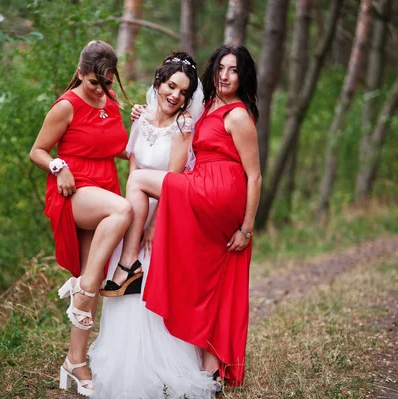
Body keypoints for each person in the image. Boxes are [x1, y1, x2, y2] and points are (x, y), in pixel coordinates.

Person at [106, 44, 262, 388]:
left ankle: (129, 263)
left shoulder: (237, 114)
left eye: (233, 70)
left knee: (140, 179)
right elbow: (172, 117)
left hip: (217, 190)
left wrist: (247, 228)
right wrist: (140, 113)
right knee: (215, 276)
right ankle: (210, 369)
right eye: (221, 68)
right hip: (204, 186)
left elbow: (255, 175)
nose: (224, 75)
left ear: (244, 75)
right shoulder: (207, 106)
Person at [89, 51, 220, 399]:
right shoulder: (141, 118)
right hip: (136, 212)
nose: (175, 95)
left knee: (152, 286)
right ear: (158, 83)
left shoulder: (183, 127)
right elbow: (133, 171)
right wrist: (135, 217)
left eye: (183, 91)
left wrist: (153, 226)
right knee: (123, 295)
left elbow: (173, 182)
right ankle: (124, 366)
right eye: (171, 86)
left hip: (166, 214)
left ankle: (162, 367)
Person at [29, 40, 132, 397]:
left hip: (103, 186)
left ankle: (75, 361)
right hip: (73, 191)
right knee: (123, 210)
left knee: (93, 272)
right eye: (93, 83)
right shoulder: (66, 106)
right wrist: (59, 167)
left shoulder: (111, 103)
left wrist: (146, 129)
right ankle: (85, 287)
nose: (100, 91)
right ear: (80, 72)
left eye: (106, 84)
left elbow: (115, 147)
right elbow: (37, 151)